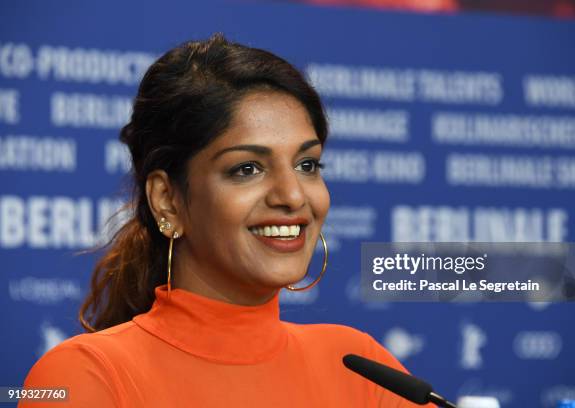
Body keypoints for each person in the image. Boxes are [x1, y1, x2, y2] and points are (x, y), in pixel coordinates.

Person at [21, 34, 432, 407]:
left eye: (307, 164)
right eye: (247, 169)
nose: (292, 196)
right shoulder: (84, 376)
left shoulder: (358, 368)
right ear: (167, 200)